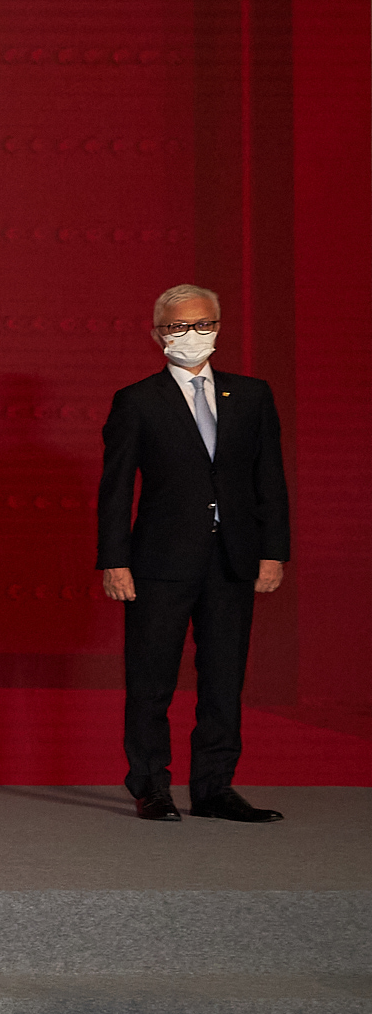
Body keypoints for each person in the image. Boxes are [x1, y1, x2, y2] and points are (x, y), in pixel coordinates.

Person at [97, 284, 290, 823]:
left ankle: (214, 787)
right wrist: (115, 560)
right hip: (159, 561)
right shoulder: (137, 400)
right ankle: (151, 785)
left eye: (203, 324)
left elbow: (270, 479)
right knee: (151, 679)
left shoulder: (251, 395)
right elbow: (116, 488)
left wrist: (273, 551)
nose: (192, 335)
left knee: (224, 678)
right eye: (179, 326)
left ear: (219, 328)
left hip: (233, 558)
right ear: (157, 334)